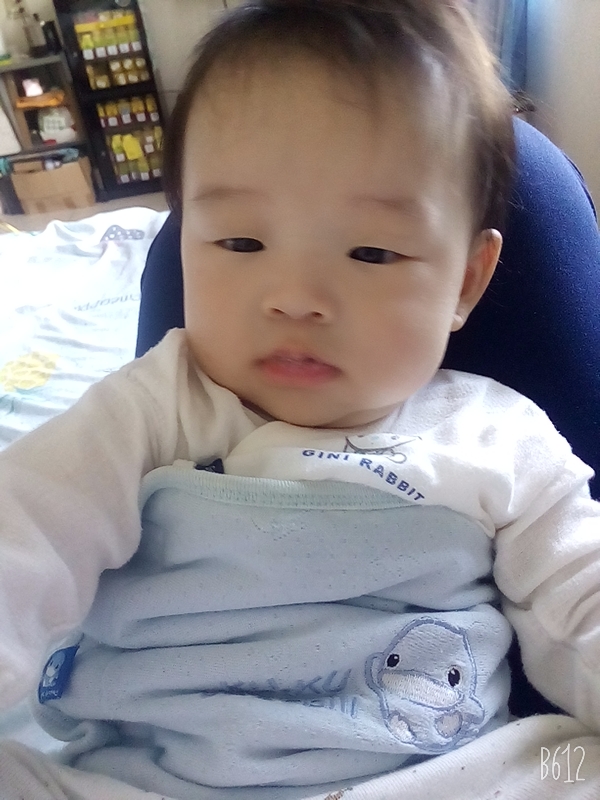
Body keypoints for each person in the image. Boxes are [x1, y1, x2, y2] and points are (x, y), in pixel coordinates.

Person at [1, 2, 600, 799]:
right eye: (241, 242)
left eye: (371, 251)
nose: (295, 297)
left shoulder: (501, 439)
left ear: (466, 281)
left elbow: (582, 602)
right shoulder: (152, 411)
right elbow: (22, 538)